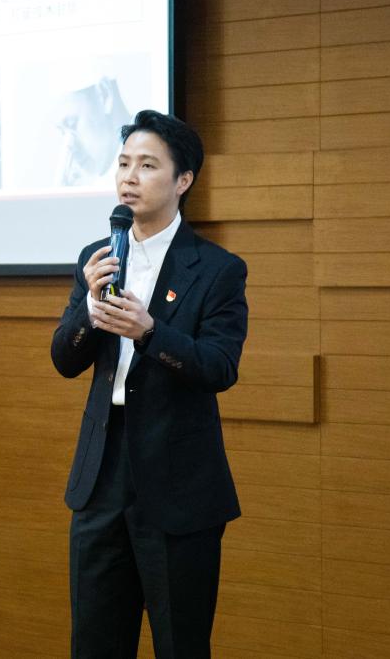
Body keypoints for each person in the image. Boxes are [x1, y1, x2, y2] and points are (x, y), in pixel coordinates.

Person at [50, 110, 248, 658]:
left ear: (183, 180)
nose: (129, 178)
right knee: (94, 644)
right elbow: (64, 360)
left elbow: (219, 367)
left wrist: (151, 333)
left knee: (180, 645)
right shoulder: (97, 258)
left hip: (177, 482)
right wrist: (89, 312)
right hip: (101, 477)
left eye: (146, 165)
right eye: (122, 164)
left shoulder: (216, 269)